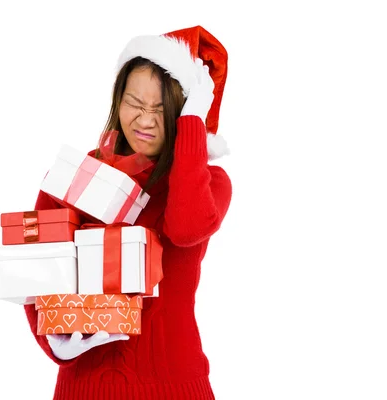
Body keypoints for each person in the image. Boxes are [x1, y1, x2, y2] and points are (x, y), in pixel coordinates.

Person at [24, 25, 233, 400]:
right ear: (117, 101)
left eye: (162, 109)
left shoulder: (209, 182)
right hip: (85, 387)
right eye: (135, 104)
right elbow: (36, 267)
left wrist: (193, 124)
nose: (146, 120)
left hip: (175, 387)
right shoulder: (79, 176)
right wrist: (53, 340)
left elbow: (185, 228)